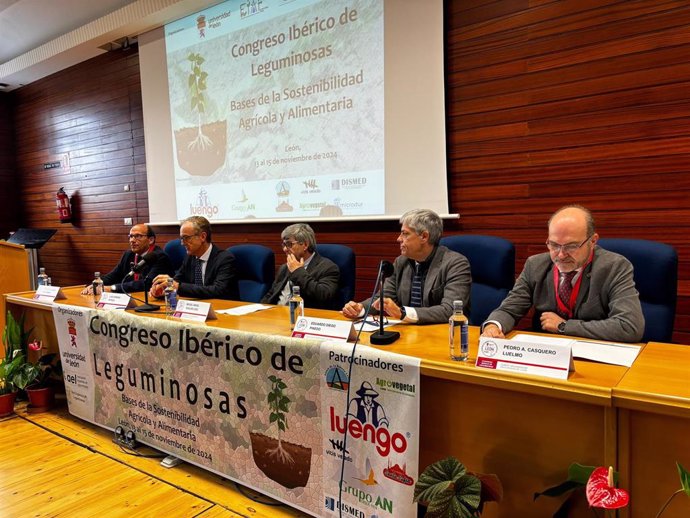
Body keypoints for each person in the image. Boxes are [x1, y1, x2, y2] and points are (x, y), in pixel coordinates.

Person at [481, 205, 644, 342]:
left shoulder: (614, 267)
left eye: (571, 246)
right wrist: (493, 325)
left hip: (594, 354)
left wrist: (563, 327)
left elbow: (629, 326)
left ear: (593, 241)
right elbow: (510, 309)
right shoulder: (535, 265)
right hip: (547, 355)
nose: (560, 255)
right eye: (553, 245)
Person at [342, 209, 471, 324]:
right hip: (409, 334)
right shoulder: (401, 262)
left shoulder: (455, 264)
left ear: (424, 236)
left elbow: (450, 310)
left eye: (405, 233)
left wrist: (403, 313)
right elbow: (382, 298)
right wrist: (360, 308)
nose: (399, 239)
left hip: (443, 336)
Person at [150, 216, 239, 300]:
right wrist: (164, 289)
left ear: (203, 237)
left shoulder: (224, 259)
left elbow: (218, 290)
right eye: (181, 238)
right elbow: (176, 281)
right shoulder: (190, 258)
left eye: (186, 238)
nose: (182, 243)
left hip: (225, 309)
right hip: (198, 309)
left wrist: (177, 286)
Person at [261, 223, 340, 309]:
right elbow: (271, 294)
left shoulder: (328, 268)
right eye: (284, 245)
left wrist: (297, 271)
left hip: (303, 317)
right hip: (276, 314)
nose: (284, 249)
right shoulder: (284, 267)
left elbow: (323, 295)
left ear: (305, 245)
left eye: (289, 244)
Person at [80, 224, 173, 295]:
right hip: (130, 297)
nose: (132, 240)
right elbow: (114, 275)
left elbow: (148, 284)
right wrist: (97, 284)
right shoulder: (128, 254)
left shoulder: (159, 256)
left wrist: (112, 288)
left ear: (150, 240)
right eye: (131, 236)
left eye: (138, 236)